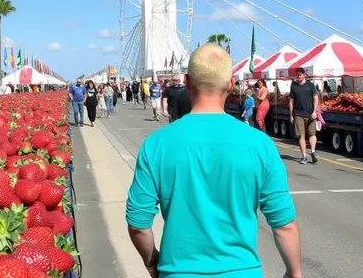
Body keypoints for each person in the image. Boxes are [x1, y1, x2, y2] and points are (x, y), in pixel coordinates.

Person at [126, 43, 301, 278]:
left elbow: (138, 224)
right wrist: (294, 272)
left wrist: (152, 261)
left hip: (178, 271)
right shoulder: (260, 145)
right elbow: (284, 224)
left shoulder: (157, 144)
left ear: (187, 82)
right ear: (230, 84)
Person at [289, 68, 319, 165]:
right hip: (298, 115)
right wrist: (291, 115)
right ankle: (304, 157)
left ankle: (313, 151)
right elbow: (291, 101)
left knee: (312, 134)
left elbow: (316, 98)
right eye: (297, 74)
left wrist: (314, 111)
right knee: (301, 136)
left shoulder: (310, 85)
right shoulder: (293, 86)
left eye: (300, 74)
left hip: (310, 114)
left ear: (304, 74)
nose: (298, 76)